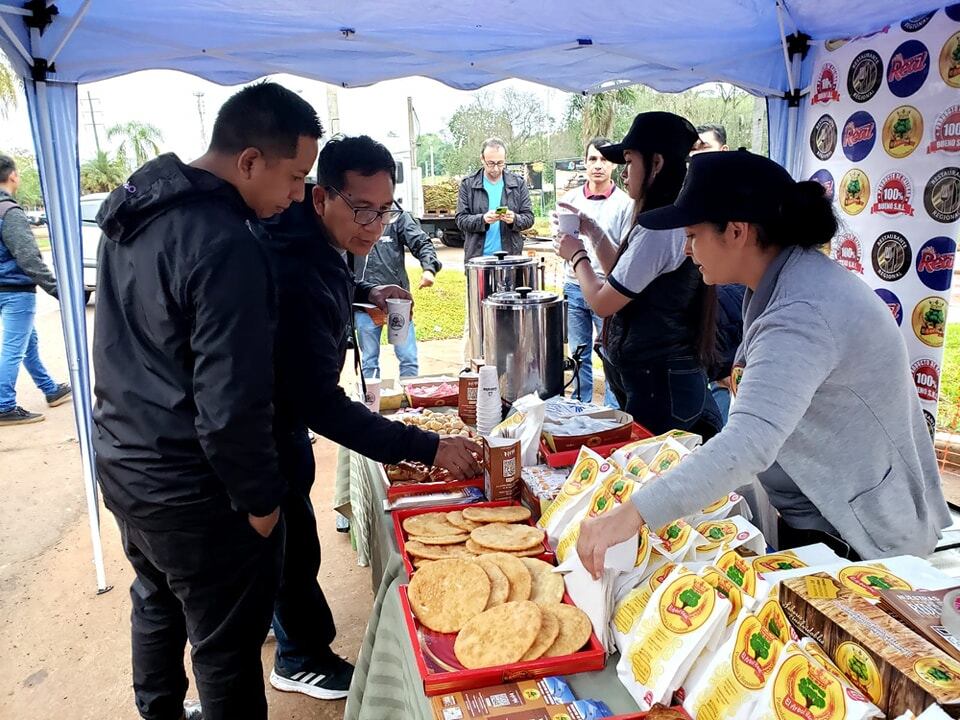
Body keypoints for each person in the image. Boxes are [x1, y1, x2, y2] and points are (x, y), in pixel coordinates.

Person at [576, 150, 951, 574]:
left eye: (693, 234)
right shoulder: (779, 280)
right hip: (817, 512)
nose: (685, 248)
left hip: (857, 538)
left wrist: (629, 516)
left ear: (736, 231)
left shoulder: (802, 310)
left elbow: (748, 442)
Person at [93, 81, 322, 720]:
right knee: (225, 645)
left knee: (156, 599)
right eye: (296, 177)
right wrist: (260, 501)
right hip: (193, 486)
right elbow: (230, 402)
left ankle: (159, 711)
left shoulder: (136, 208)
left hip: (126, 462)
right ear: (249, 161)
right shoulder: (227, 242)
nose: (298, 196)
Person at [260, 135, 481, 701]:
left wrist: (360, 290)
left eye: (385, 209)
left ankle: (276, 618)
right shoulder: (291, 267)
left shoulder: (318, 243)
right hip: (264, 427)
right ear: (320, 198)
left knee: (282, 545)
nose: (375, 224)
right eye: (362, 209)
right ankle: (299, 655)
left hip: (279, 419)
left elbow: (330, 277)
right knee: (291, 542)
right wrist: (427, 447)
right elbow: (320, 404)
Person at [557, 112, 722, 438]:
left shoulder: (660, 227)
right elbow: (624, 272)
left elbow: (604, 303)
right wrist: (591, 230)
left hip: (660, 380)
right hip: (661, 374)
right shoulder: (663, 217)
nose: (625, 172)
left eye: (630, 162)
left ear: (656, 164)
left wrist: (576, 256)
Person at [556, 137, 634, 407]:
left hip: (608, 287)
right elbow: (561, 241)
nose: (598, 165)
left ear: (613, 165)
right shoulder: (569, 200)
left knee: (611, 354)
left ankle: (613, 414)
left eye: (604, 159)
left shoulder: (626, 204)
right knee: (579, 354)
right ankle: (580, 409)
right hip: (574, 286)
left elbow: (625, 255)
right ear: (584, 163)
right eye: (592, 159)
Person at [0, 154, 71, 426]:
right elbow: (29, 258)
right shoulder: (10, 212)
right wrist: (58, 290)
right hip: (15, 291)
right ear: (13, 175)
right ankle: (4, 405)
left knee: (27, 343)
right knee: (14, 348)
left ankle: (50, 389)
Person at [354, 209, 441, 378]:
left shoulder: (398, 217)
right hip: (364, 304)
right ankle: (371, 402)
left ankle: (410, 400)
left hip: (397, 302)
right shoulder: (354, 215)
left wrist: (429, 268)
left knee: (408, 359)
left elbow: (422, 242)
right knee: (369, 361)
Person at [456, 137, 535, 261]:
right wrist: (482, 219)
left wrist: (514, 219)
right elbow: (461, 220)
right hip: (478, 260)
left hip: (510, 258)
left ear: (505, 159)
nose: (496, 168)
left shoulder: (518, 183)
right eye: (491, 163)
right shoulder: (468, 184)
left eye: (500, 163)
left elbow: (529, 218)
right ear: (482, 159)